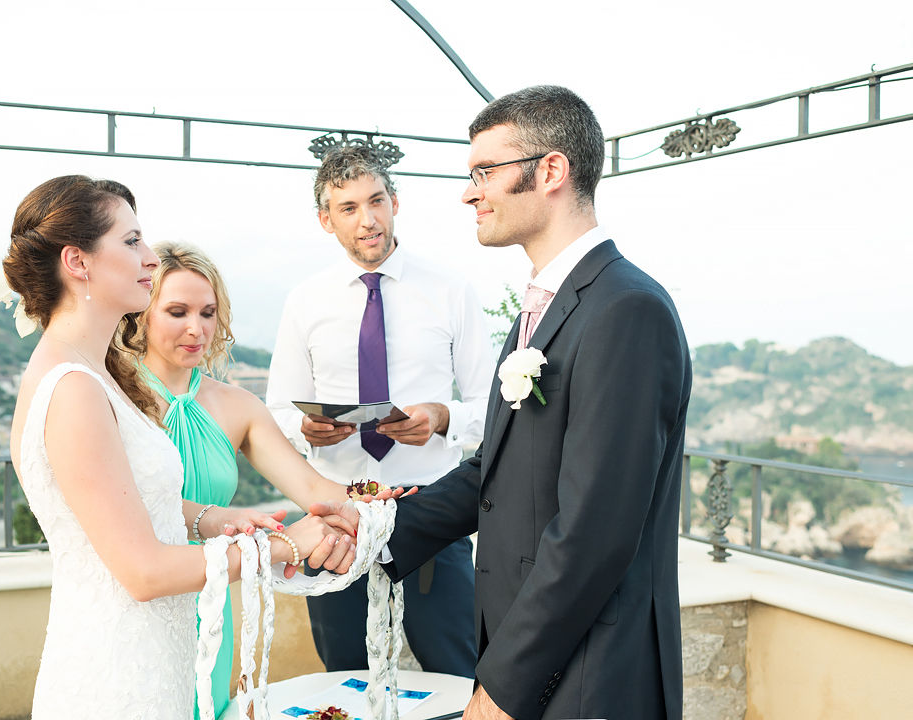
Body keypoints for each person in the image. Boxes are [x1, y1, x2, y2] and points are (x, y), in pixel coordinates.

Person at [311, 86, 691, 720]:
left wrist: (503, 688)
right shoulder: (544, 309)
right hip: (541, 658)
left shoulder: (627, 310)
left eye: (484, 171)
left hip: (592, 675)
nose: (469, 193)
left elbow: (594, 533)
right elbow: (491, 475)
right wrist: (369, 534)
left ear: (550, 171)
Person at [3, 175, 354, 720]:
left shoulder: (89, 376)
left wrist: (214, 518)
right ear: (78, 262)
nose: (148, 257)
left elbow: (125, 507)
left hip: (156, 655)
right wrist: (286, 546)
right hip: (121, 672)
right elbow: (143, 572)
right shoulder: (74, 388)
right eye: (131, 240)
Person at [122, 241, 411, 717]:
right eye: (177, 312)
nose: (197, 329)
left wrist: (382, 504)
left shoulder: (237, 405)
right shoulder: (111, 398)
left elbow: (315, 491)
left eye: (208, 312)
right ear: (140, 315)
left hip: (208, 602)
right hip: (134, 596)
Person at [266, 146, 493, 677]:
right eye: (347, 208)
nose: (367, 220)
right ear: (326, 219)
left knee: (459, 668)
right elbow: (276, 412)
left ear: (395, 202)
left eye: (376, 202)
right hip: (336, 518)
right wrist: (305, 429)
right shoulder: (304, 301)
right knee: (344, 672)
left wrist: (443, 419)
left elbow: (494, 407)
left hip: (434, 511)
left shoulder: (452, 291)